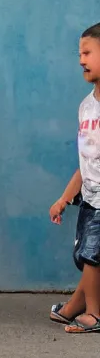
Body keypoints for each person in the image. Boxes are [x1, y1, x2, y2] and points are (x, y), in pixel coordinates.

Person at [50, 22, 100, 332]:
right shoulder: (86, 107)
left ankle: (93, 314)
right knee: (87, 254)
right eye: (79, 53)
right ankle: (76, 305)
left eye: (88, 52)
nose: (81, 59)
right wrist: (65, 197)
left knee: (92, 256)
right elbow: (85, 162)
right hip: (90, 198)